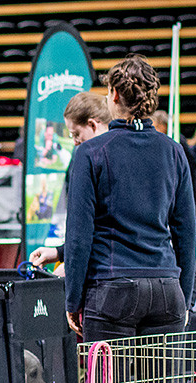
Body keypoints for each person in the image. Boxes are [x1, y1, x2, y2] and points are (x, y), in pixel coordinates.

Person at [64, 53, 196, 342]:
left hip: (111, 290)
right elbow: (186, 232)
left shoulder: (90, 153)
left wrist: (72, 300)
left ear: (113, 94)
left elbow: (79, 235)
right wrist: (185, 297)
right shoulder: (174, 151)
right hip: (166, 289)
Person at [30, 91, 112, 271]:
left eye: (76, 135)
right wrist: (59, 253)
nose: (75, 142)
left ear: (92, 124)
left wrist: (71, 270)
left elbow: (91, 232)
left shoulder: (93, 160)